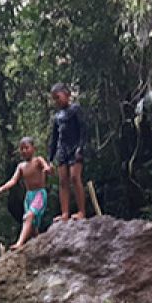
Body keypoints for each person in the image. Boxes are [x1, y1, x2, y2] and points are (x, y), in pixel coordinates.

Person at [0, 136, 52, 250]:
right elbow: (13, 180)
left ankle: (19, 243)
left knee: (29, 216)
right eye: (22, 149)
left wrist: (48, 169)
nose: (24, 151)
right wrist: (2, 188)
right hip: (29, 196)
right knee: (32, 226)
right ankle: (38, 246)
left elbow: (46, 167)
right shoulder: (21, 166)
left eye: (26, 148)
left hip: (39, 194)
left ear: (33, 148)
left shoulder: (38, 160)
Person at [47, 83, 88, 222]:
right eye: (54, 99)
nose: (56, 101)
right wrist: (50, 159)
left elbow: (83, 130)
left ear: (66, 95)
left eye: (58, 97)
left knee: (75, 178)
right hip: (62, 149)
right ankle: (65, 213)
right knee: (63, 180)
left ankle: (81, 211)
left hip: (75, 147)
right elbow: (54, 138)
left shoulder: (75, 109)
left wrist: (80, 148)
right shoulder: (57, 116)